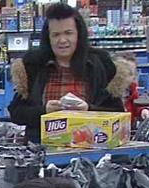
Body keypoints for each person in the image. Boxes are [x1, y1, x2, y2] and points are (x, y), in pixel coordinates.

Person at [8, 3, 132, 142]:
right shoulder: (33, 65)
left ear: (79, 34)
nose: (62, 40)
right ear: (48, 38)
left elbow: (117, 112)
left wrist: (89, 110)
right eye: (56, 35)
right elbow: (16, 113)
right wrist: (44, 111)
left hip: (90, 150)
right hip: (41, 150)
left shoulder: (100, 64)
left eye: (68, 33)